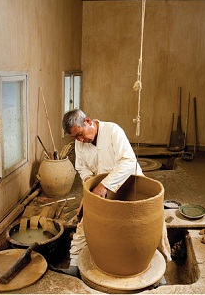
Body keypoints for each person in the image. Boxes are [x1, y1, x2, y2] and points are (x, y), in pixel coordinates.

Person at [52, 109, 170, 277]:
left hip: (129, 182)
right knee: (86, 220)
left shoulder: (113, 131)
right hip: (101, 188)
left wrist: (104, 186)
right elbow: (81, 167)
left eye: (80, 134)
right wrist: (87, 180)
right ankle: (74, 265)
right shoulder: (79, 143)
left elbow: (128, 162)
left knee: (152, 224)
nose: (80, 140)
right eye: (75, 137)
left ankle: (161, 270)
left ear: (88, 121)